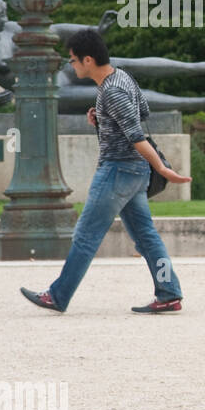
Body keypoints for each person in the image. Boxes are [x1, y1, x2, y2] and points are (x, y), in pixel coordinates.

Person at [20, 30, 189, 313]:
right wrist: (103, 119)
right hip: (134, 174)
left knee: (86, 236)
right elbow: (142, 112)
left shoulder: (111, 90)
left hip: (117, 171)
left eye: (73, 60)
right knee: (146, 236)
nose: (70, 66)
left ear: (88, 60)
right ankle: (169, 293)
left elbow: (137, 135)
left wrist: (162, 168)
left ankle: (58, 295)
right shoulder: (122, 77)